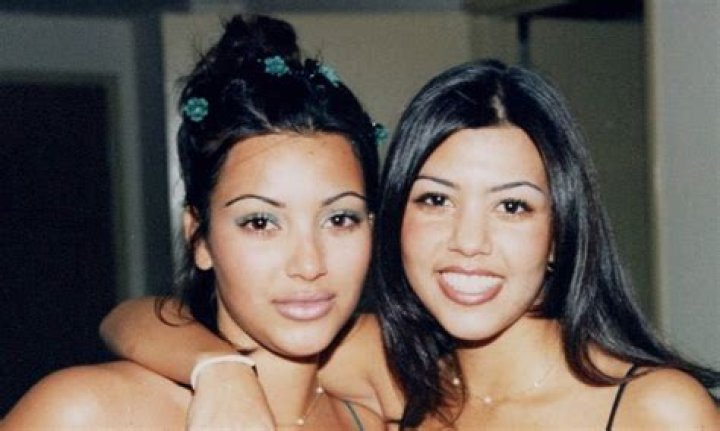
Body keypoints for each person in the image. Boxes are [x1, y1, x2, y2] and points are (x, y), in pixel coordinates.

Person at [98, 60, 720, 430]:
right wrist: (220, 372)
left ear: (560, 231)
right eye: (435, 200)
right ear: (394, 219)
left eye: (512, 206)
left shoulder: (654, 409)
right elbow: (147, 318)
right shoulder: (395, 371)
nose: (469, 242)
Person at [0, 14, 385, 430]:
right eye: (260, 223)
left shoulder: (373, 419)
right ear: (199, 238)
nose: (309, 264)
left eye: (339, 218)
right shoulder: (90, 414)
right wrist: (217, 369)